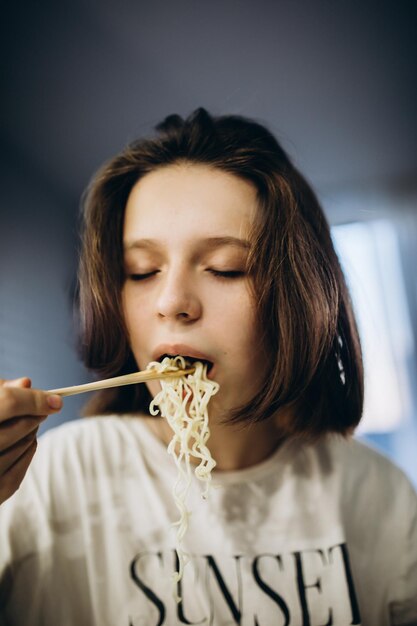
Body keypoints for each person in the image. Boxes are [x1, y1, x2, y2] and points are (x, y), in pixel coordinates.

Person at [0, 108, 416, 626]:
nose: (172, 302)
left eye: (225, 268)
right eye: (142, 271)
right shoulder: (40, 482)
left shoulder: (378, 495)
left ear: (297, 297)